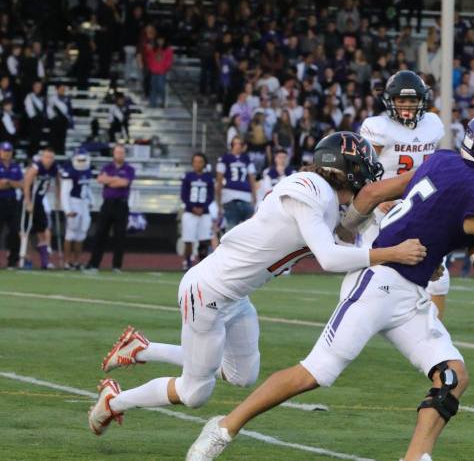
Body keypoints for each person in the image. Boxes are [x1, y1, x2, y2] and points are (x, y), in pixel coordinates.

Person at [185, 111, 474, 461]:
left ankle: (415, 457)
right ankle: (224, 427)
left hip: (410, 292)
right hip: (379, 284)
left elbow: (373, 192)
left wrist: (346, 231)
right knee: (314, 373)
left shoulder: (443, 160)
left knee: (452, 375)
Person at [88, 132, 426, 436]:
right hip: (207, 293)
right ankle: (113, 401)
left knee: (242, 375)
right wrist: (392, 253)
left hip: (235, 296)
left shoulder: (322, 195)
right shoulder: (309, 189)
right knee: (195, 392)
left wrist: (383, 215)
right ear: (347, 169)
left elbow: (346, 235)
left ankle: (142, 349)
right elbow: (329, 257)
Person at [359, 70, 451, 317]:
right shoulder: (378, 127)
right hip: (384, 207)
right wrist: (378, 198)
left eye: (412, 100)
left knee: (438, 274)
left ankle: (434, 329)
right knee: (375, 268)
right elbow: (361, 168)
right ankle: (362, 316)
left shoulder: (432, 124)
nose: (407, 105)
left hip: (420, 204)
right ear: (390, 101)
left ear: (422, 100)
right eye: (401, 100)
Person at [86, 145, 135, 272]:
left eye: (122, 153)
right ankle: (94, 264)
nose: (119, 155)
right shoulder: (107, 167)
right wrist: (115, 179)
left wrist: (109, 180)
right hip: (107, 204)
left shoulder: (129, 169)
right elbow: (100, 179)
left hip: (121, 204)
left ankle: (116, 266)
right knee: (100, 234)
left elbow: (124, 183)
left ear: (125, 154)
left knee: (119, 236)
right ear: (113, 153)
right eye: (117, 152)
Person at [22, 148, 61, 269]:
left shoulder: (54, 168)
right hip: (31, 200)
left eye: (51, 157)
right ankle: (25, 258)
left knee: (42, 231)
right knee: (25, 230)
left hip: (39, 202)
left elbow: (58, 181)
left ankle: (45, 261)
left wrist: (58, 198)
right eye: (47, 157)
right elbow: (26, 182)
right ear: (42, 157)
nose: (49, 160)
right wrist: (28, 201)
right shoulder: (36, 167)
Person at [181, 153, 215, 270]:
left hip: (204, 213)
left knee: (204, 240)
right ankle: (187, 263)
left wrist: (203, 208)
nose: (197, 164)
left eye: (200, 162)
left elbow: (210, 196)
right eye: (195, 161)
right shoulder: (188, 176)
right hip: (190, 212)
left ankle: (202, 265)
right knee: (188, 239)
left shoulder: (208, 177)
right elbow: (184, 195)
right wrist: (192, 208)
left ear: (204, 163)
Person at [216, 136, 257, 231]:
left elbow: (252, 180)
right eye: (236, 144)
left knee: (249, 230)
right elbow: (219, 181)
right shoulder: (224, 158)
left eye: (240, 144)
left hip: (246, 197)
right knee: (231, 230)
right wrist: (219, 201)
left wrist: (254, 198)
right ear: (231, 145)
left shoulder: (247, 159)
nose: (238, 146)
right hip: (230, 197)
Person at [60, 150, 92, 270]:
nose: (82, 162)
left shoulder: (87, 171)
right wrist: (67, 209)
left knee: (82, 233)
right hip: (73, 202)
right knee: (71, 232)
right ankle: (67, 262)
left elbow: (87, 187)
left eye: (84, 160)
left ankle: (77, 261)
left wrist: (91, 200)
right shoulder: (70, 172)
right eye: (80, 160)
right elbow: (64, 192)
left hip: (84, 203)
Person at [0, 142, 22, 268]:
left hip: (12, 201)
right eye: (4, 151)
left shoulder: (15, 166)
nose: (6, 153)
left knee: (14, 231)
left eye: (8, 151)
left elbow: (21, 184)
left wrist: (8, 182)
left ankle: (13, 260)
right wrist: (11, 184)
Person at [144, 35, 174, 108]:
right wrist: (150, 67)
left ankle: (163, 102)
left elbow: (169, 60)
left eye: (162, 40)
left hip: (162, 72)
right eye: (159, 40)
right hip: (153, 71)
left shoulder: (168, 49)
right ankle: (152, 103)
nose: (160, 42)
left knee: (161, 87)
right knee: (153, 88)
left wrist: (166, 67)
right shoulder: (153, 48)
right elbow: (149, 57)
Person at [48, 83, 74, 155]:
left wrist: (70, 121)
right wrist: (54, 117)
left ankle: (61, 153)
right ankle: (52, 153)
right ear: (57, 89)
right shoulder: (52, 99)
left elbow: (70, 111)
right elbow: (49, 110)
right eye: (61, 89)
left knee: (62, 138)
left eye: (63, 89)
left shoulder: (67, 99)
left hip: (64, 121)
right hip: (55, 122)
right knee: (54, 138)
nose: (62, 90)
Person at [24, 79, 47, 158]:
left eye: (39, 86)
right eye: (36, 86)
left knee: (38, 141)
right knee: (32, 141)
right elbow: (30, 111)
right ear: (33, 87)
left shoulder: (42, 97)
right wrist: (37, 119)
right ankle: (30, 158)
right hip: (32, 123)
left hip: (40, 123)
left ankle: (36, 157)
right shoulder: (29, 96)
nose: (38, 88)